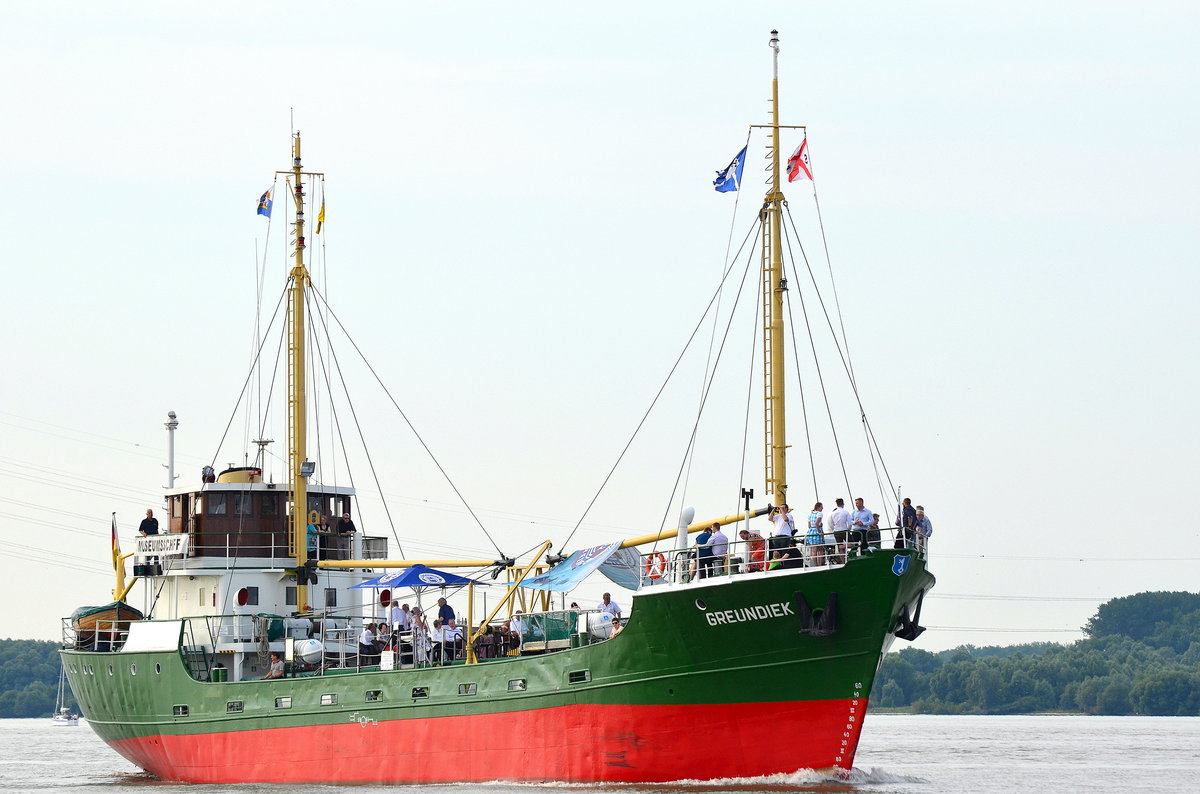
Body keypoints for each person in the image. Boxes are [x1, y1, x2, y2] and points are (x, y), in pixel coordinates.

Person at [829, 498, 851, 564]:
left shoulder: (833, 513)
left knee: (840, 547)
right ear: (843, 504)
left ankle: (843, 562)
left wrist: (834, 529)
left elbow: (831, 524)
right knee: (854, 544)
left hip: (836, 531)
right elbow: (850, 523)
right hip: (844, 530)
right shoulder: (846, 512)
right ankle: (841, 546)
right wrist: (848, 529)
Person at [806, 502, 826, 567]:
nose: (822, 508)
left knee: (814, 550)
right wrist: (819, 531)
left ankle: (816, 565)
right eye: (821, 507)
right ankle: (819, 564)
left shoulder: (810, 514)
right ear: (818, 507)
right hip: (817, 531)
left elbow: (809, 526)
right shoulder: (819, 514)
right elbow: (816, 523)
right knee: (820, 549)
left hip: (811, 532)